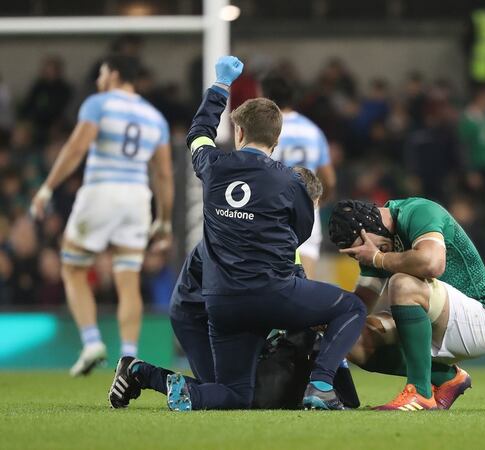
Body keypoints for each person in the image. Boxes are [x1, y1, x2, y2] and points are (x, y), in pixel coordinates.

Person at [111, 56, 364, 411]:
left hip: (222, 304)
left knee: (234, 393)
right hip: (273, 294)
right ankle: (320, 384)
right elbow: (301, 234)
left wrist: (220, 86)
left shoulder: (212, 166)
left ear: (239, 132)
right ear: (276, 139)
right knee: (351, 307)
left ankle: (152, 375)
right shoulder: (291, 183)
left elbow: (198, 134)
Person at [108, 167, 361, 409]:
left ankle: (140, 372)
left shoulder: (267, 227)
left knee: (231, 393)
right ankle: (149, 375)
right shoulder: (263, 232)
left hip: (222, 310)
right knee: (234, 393)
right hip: (197, 313)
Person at [30, 54, 174, 377]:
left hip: (101, 190)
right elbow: (164, 173)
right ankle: (129, 359)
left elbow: (77, 147)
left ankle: (92, 341)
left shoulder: (99, 103)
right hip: (137, 197)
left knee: (72, 267)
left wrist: (47, 188)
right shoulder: (155, 117)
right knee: (128, 280)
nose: (98, 79)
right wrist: (163, 220)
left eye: (101, 73)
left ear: (114, 74)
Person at [329, 198, 485, 410]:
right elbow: (360, 305)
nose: (364, 255)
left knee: (402, 283)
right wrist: (327, 318)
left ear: (369, 227)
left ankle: (420, 392)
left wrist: (378, 258)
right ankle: (446, 378)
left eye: (361, 248)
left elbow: (432, 263)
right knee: (352, 337)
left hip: (480, 318)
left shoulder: (418, 212)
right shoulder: (378, 244)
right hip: (436, 318)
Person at [262, 75, 336, 279]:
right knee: (306, 277)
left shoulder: (264, 129)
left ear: (265, 97)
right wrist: (320, 201)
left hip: (271, 207)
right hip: (307, 205)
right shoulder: (313, 131)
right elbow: (329, 179)